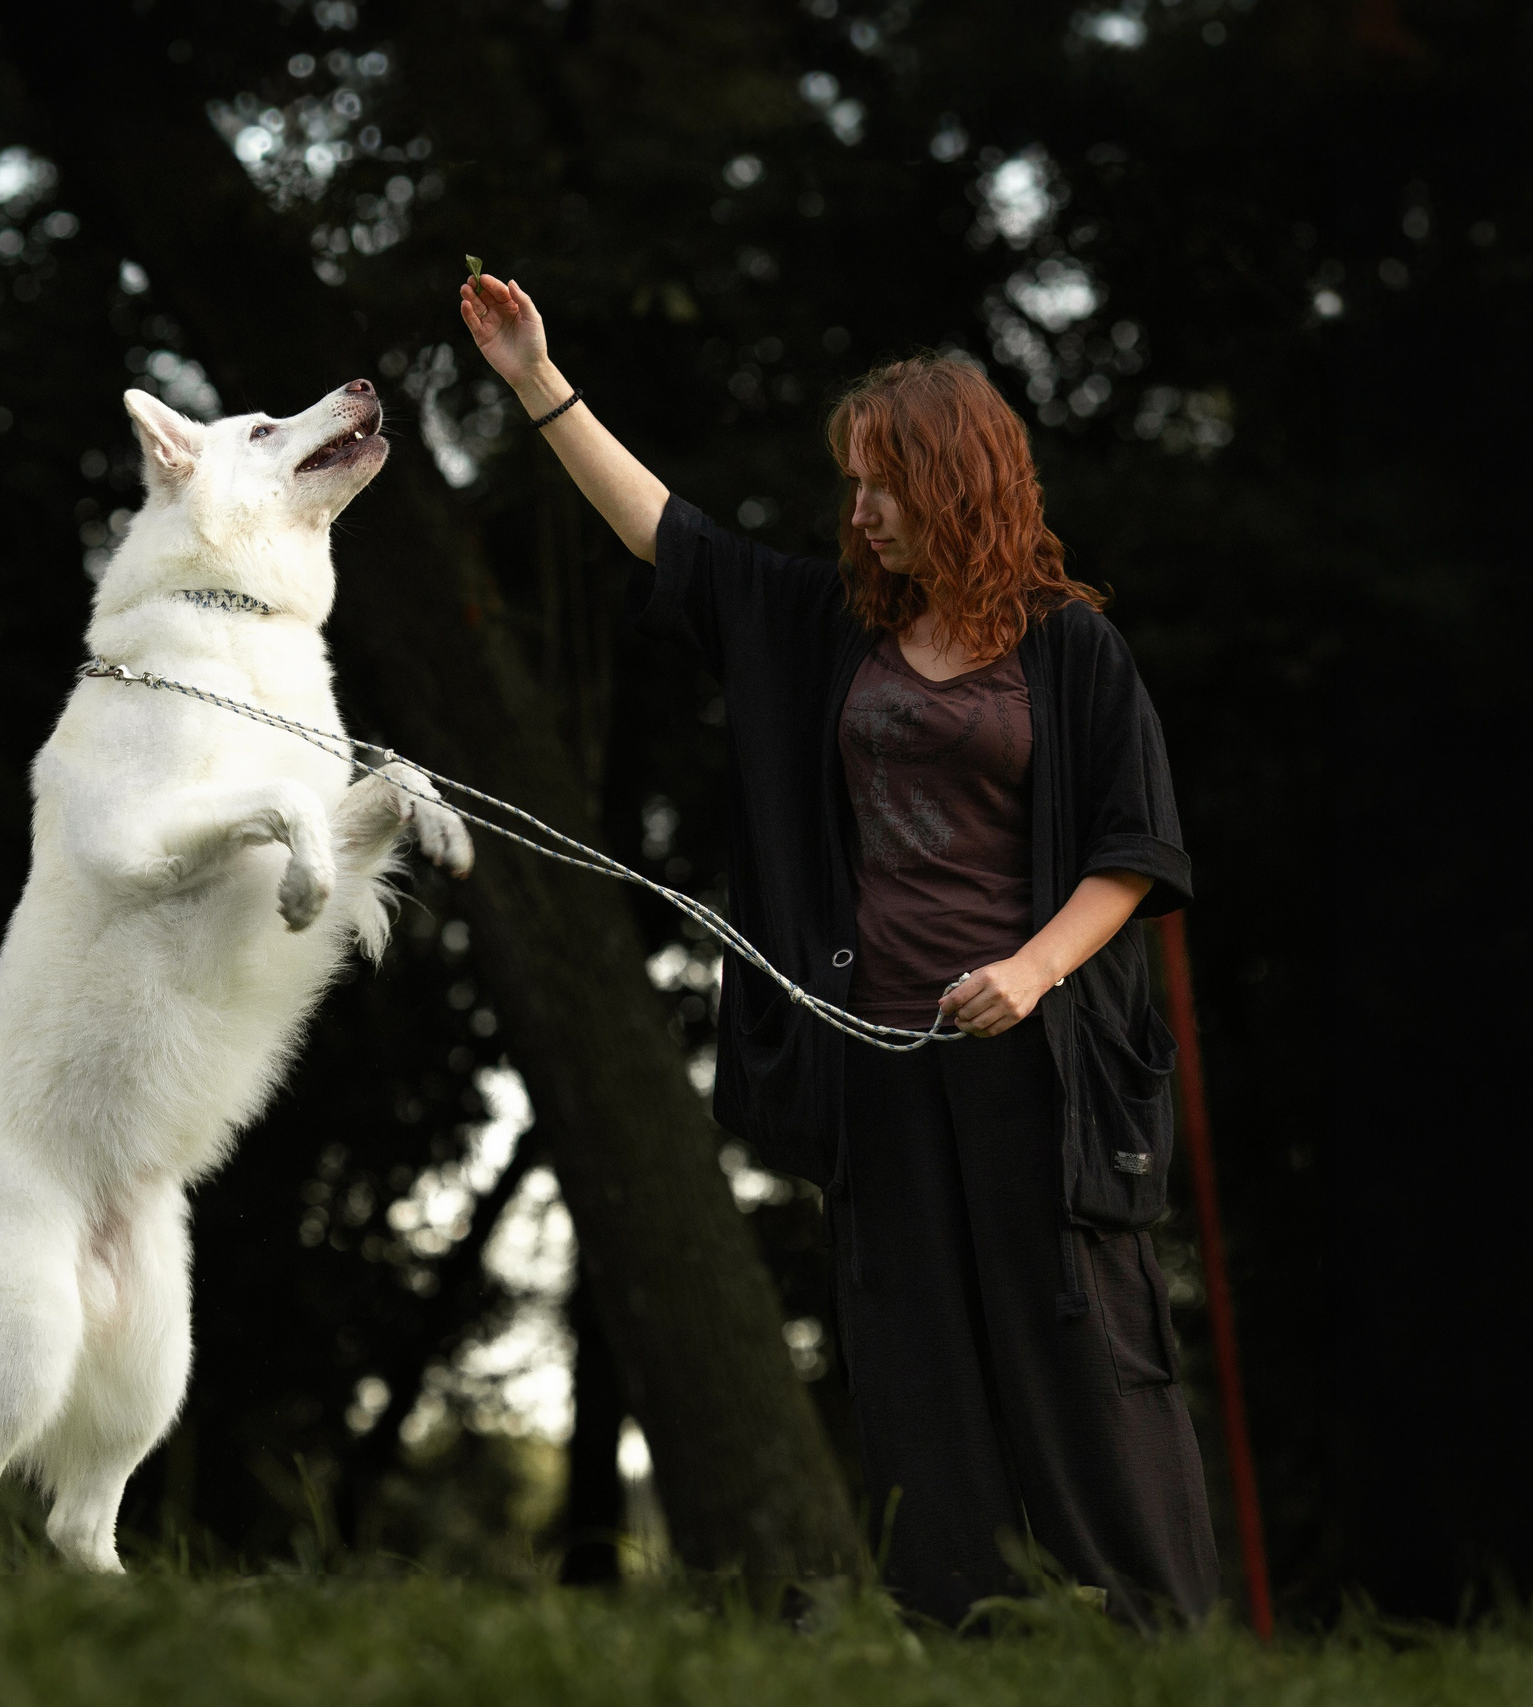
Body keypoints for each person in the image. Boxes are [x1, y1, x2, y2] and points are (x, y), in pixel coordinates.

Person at [461, 274, 1217, 1626]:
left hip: (1042, 1077)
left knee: (1086, 1364)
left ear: (956, 482)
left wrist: (1033, 972)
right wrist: (534, 381)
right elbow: (669, 537)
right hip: (875, 1070)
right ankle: (959, 1639)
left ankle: (1163, 1644)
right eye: (853, 483)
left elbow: (1138, 853)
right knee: (916, 1370)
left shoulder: (1074, 652)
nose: (858, 509)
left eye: (883, 483)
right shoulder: (827, 628)